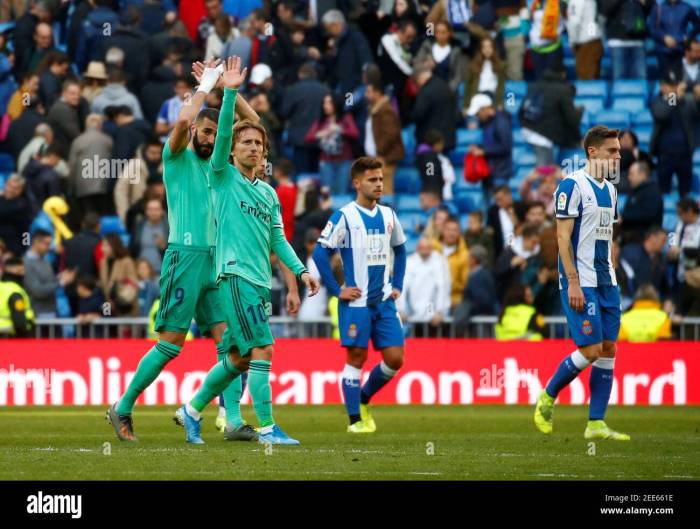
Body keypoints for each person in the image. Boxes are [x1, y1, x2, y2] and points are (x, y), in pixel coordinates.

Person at [107, 58, 263, 442]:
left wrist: (229, 90)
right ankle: (122, 406)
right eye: (206, 132)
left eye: (215, 133)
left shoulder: (221, 163)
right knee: (172, 344)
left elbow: (256, 125)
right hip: (185, 257)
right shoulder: (176, 156)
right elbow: (179, 124)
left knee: (232, 342)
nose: (212, 139)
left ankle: (232, 420)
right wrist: (205, 84)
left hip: (218, 261)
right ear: (196, 129)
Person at [177, 57, 319, 446]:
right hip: (234, 275)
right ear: (234, 148)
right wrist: (231, 92)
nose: (254, 147)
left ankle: (190, 412)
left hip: (259, 280)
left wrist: (301, 272)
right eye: (246, 141)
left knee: (240, 357)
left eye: (259, 143)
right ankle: (269, 428)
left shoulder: (269, 194)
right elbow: (222, 135)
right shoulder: (222, 177)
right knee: (263, 349)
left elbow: (279, 241)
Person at [534, 125, 630, 441]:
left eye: (618, 150)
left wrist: (613, 272)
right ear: (593, 151)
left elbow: (607, 237)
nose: (618, 155)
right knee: (589, 349)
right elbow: (563, 237)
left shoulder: (612, 191)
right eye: (612, 150)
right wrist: (572, 281)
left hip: (607, 281)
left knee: (608, 348)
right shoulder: (571, 186)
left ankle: (596, 423)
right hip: (581, 281)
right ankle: (548, 395)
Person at [313, 156, 407, 434]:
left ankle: (365, 398)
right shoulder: (344, 216)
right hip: (357, 303)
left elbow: (400, 249)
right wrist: (336, 290)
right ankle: (355, 420)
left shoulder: (389, 215)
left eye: (380, 179)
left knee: (395, 359)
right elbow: (321, 252)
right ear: (357, 183)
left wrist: (398, 284)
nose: (379, 184)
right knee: (356, 358)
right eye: (372, 180)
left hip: (384, 301)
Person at [650, 69, 699, 197]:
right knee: (663, 189)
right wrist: (675, 97)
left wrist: (694, 97)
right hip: (665, 155)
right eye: (671, 85)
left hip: (684, 154)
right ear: (662, 87)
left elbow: (696, 112)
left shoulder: (686, 100)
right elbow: (662, 114)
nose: (674, 88)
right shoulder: (658, 101)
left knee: (685, 191)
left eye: (676, 85)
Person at [303, 93, 359, 195]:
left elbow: (355, 133)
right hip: (326, 162)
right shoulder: (321, 121)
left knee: (342, 192)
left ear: (335, 104)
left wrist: (340, 130)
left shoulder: (345, 118)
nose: (326, 106)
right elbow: (307, 138)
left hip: (344, 161)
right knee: (327, 193)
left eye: (329, 103)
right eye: (324, 103)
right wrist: (319, 134)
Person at [397, 237, 451, 335]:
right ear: (417, 248)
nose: (425, 250)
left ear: (431, 248)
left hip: (433, 310)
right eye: (422, 247)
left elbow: (443, 287)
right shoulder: (410, 262)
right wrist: (401, 309)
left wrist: (440, 311)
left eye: (427, 247)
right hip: (414, 311)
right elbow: (403, 287)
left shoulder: (439, 261)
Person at [363, 81, 405, 196]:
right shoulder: (373, 110)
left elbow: (390, 135)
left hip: (383, 159)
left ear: (377, 93)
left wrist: (379, 153)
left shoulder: (386, 111)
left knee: (385, 193)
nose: (365, 95)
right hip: (374, 159)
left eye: (368, 92)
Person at [23, 229, 76, 318]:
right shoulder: (26, 263)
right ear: (36, 242)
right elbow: (37, 290)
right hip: (37, 314)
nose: (49, 247)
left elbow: (47, 282)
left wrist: (59, 278)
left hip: (51, 311)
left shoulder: (45, 260)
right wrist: (61, 282)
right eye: (46, 244)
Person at [411, 61, 457, 152]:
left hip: (431, 142)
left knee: (430, 166)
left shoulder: (426, 91)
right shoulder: (445, 86)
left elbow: (418, 114)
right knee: (441, 165)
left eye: (416, 81)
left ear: (420, 77)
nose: (417, 84)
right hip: (447, 140)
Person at [648, 0, 700, 78]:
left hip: (681, 50)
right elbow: (652, 28)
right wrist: (664, 37)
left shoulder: (687, 8)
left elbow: (697, 25)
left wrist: (688, 37)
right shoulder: (658, 8)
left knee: (680, 80)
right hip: (663, 51)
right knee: (667, 82)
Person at [619, 161, 663, 244]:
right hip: (630, 238)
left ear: (642, 174)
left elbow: (648, 214)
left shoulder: (653, 191)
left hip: (644, 240)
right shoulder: (634, 190)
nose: (629, 177)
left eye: (631, 174)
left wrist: (624, 217)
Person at [565, 0, 604, 80]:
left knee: (586, 79)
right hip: (595, 41)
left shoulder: (577, 1)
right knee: (594, 78)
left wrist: (573, 41)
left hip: (585, 45)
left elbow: (574, 23)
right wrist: (592, 36)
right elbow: (592, 21)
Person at [464, 36, 505, 109]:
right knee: (473, 117)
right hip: (477, 96)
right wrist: (466, 106)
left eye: (489, 47)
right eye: (484, 47)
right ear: (480, 49)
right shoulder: (473, 65)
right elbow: (467, 87)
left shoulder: (500, 65)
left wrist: (500, 103)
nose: (487, 50)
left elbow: (501, 87)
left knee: (499, 117)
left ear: (494, 49)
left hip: (492, 97)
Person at [416, 129, 455, 200]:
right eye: (441, 144)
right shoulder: (428, 159)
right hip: (433, 193)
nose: (442, 147)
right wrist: (435, 192)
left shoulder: (431, 156)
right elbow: (430, 176)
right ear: (436, 144)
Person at [0, 175, 34, 257]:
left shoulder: (22, 206)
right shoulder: (2, 199)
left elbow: (26, 230)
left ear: (20, 190)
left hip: (11, 247)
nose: (11, 190)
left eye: (15, 188)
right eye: (9, 186)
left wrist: (24, 249)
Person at [0, 256, 35, 337]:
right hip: (10, 336)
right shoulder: (14, 290)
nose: (23, 273)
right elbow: (19, 320)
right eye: (19, 271)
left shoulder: (3, 287)